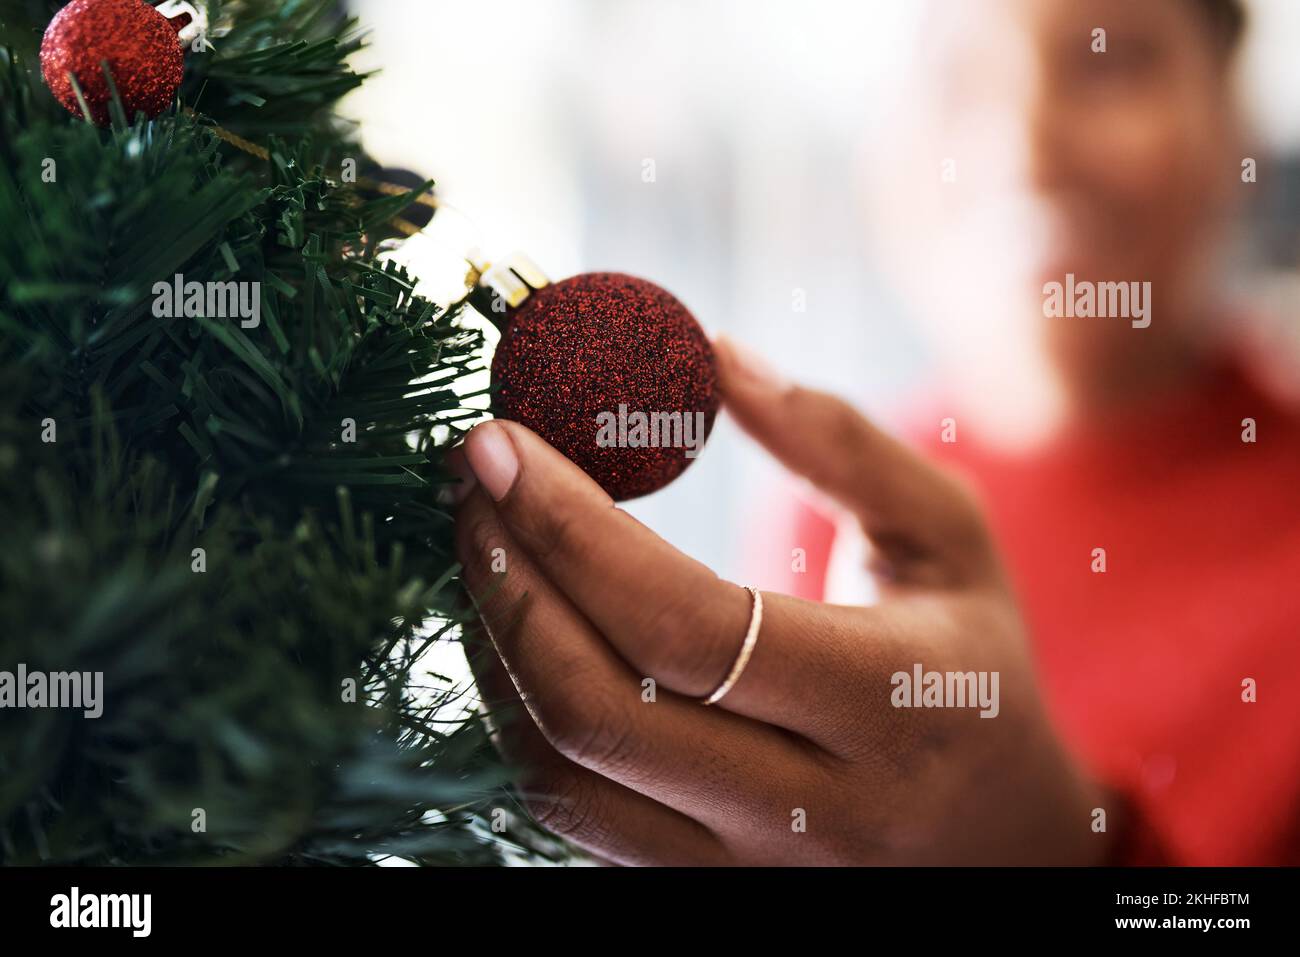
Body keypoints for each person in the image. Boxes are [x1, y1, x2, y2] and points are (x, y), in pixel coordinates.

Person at [450, 0, 1300, 865]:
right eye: (957, 76)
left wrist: (1042, 846)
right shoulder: (823, 521)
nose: (1027, 148)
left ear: (1233, 115)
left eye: (1110, 63)